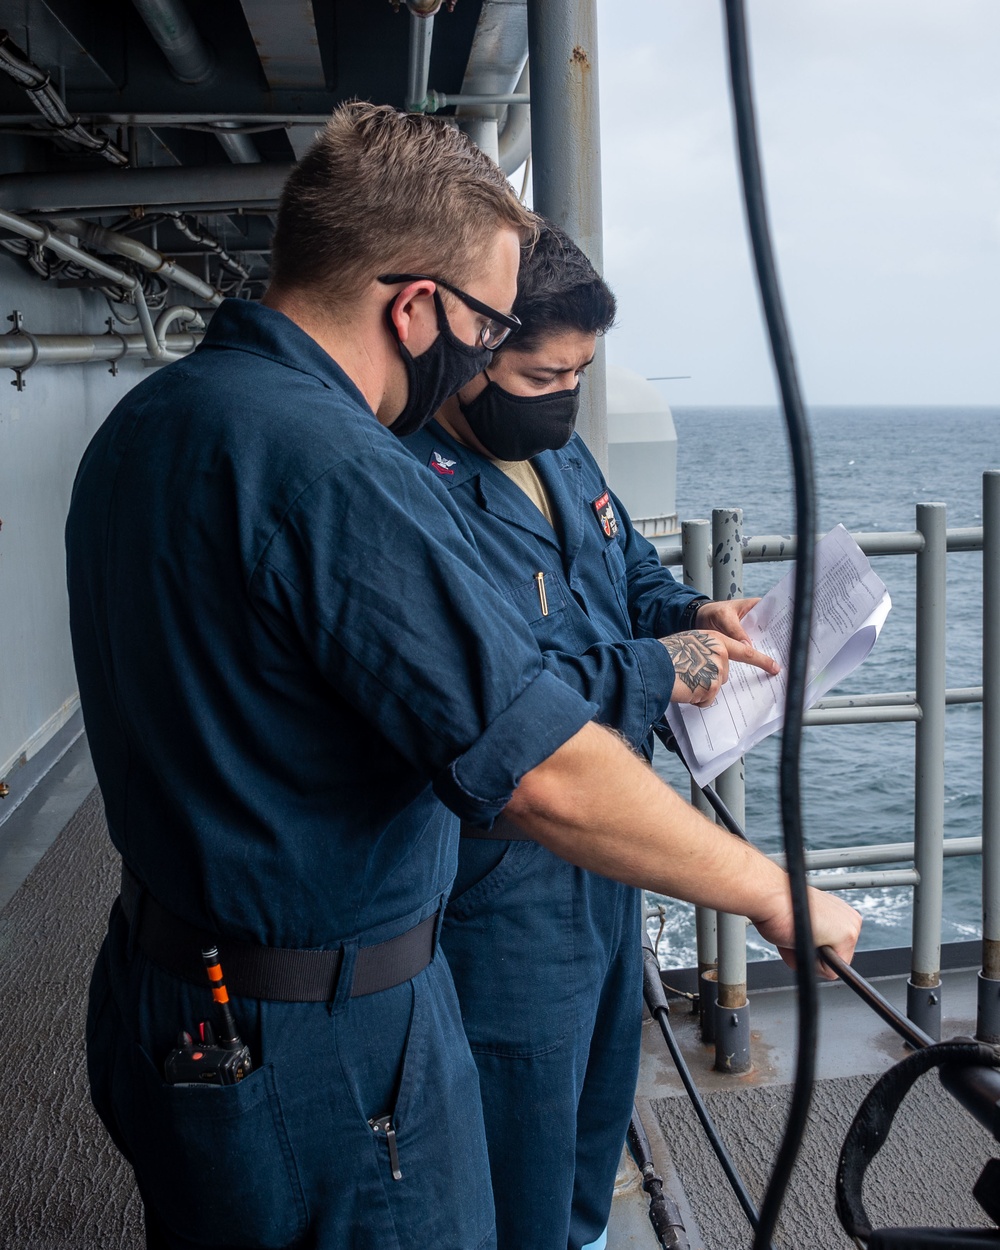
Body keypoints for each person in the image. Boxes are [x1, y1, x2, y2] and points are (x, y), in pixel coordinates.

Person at [66, 103, 861, 1250]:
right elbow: (539, 773)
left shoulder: (149, 422)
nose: (485, 359)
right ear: (417, 305)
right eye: (488, 327)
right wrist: (775, 896)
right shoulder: (331, 464)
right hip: (321, 1033)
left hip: (174, 981)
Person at [404, 222, 773, 1250]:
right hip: (506, 869)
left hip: (609, 849)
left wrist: (694, 616)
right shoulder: (407, 489)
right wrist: (664, 668)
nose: (564, 392)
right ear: (471, 351)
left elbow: (629, 573)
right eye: (542, 369)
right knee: (519, 1122)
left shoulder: (558, 454)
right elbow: (503, 690)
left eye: (581, 370)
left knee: (597, 1102)